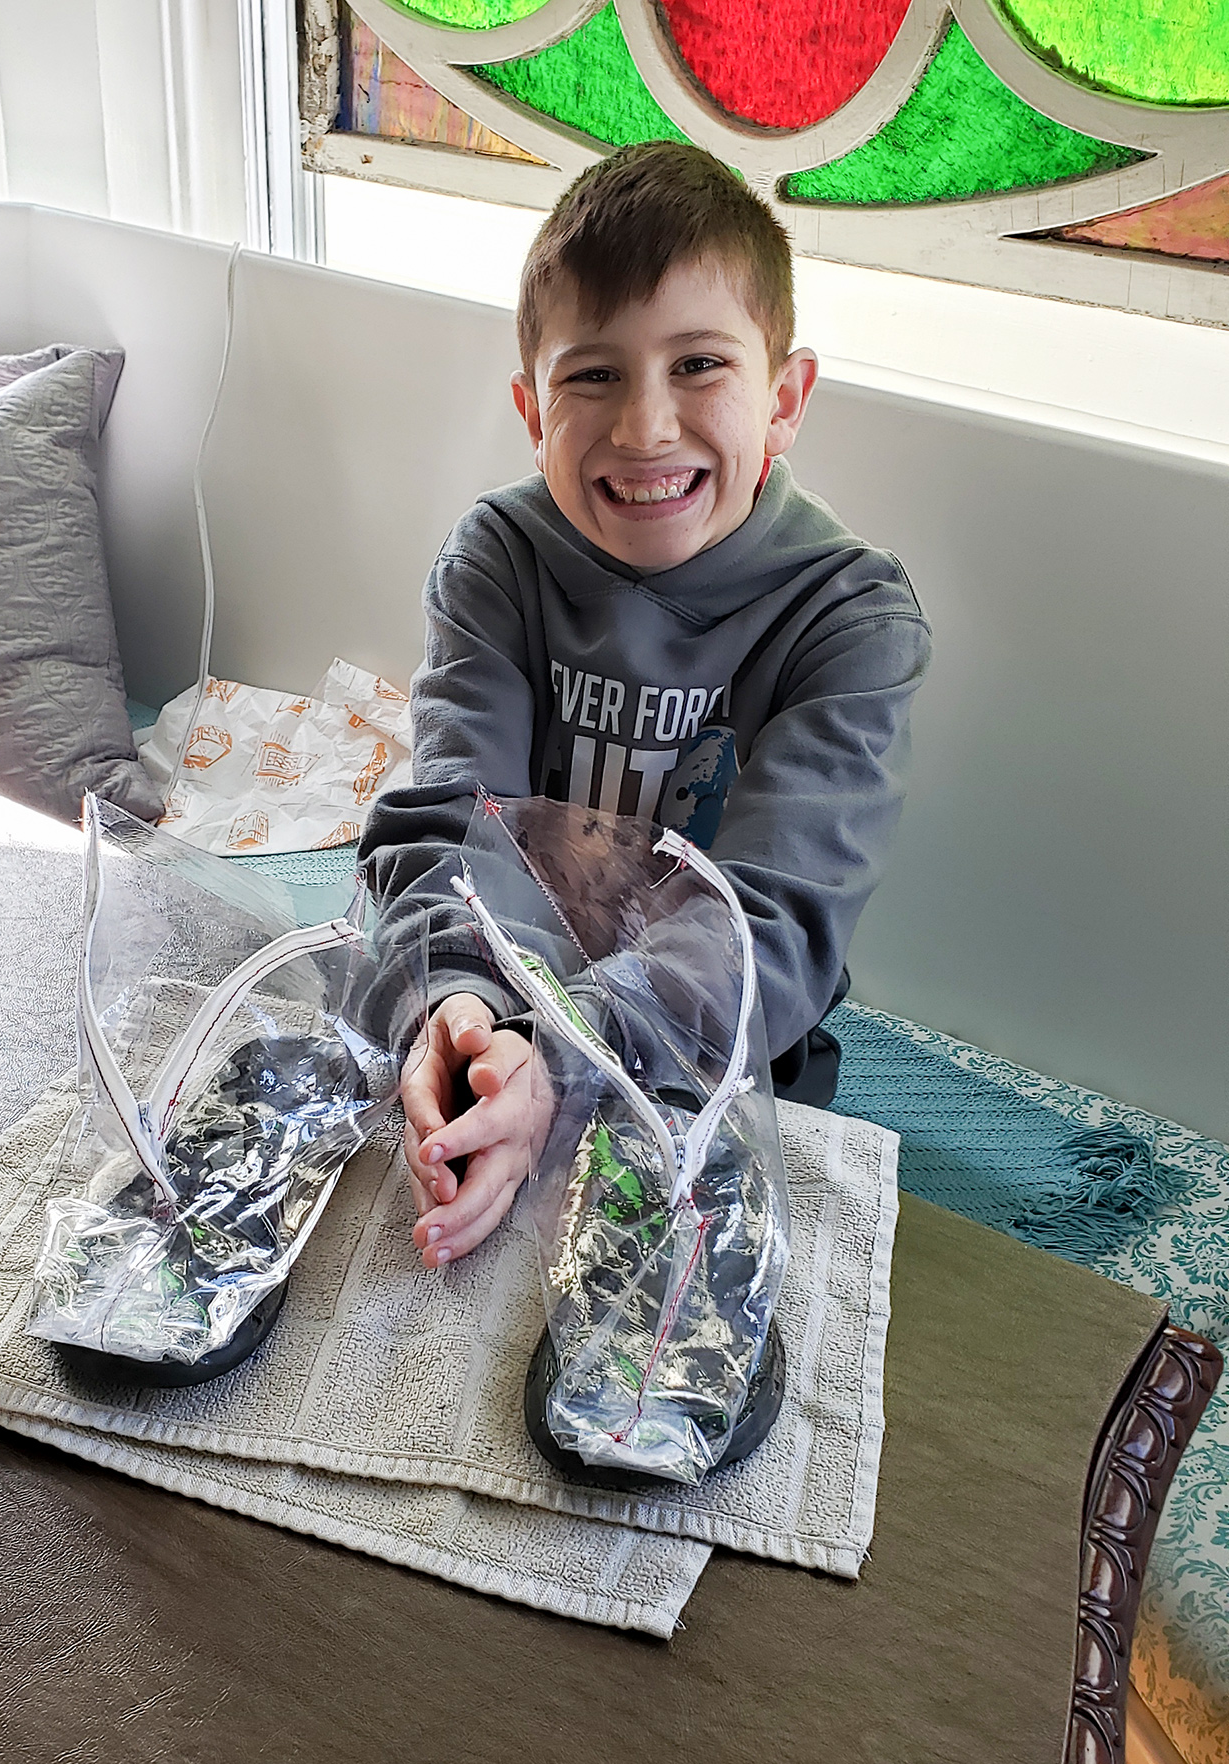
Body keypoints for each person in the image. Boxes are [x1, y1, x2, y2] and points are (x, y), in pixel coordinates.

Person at [358, 140, 931, 1271]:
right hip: (495, 1016)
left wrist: (565, 1057)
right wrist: (467, 1012)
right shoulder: (497, 561)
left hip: (729, 1065)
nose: (645, 429)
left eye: (701, 366)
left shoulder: (852, 618)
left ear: (787, 398)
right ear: (532, 407)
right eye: (594, 375)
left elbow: (773, 926)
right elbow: (449, 818)